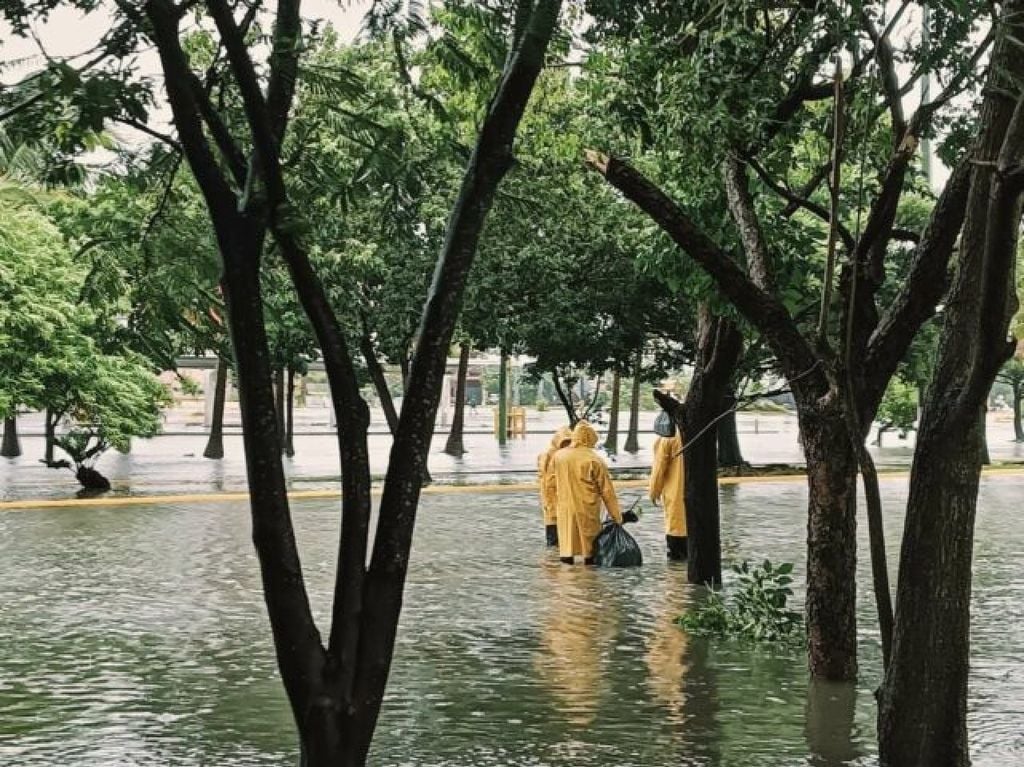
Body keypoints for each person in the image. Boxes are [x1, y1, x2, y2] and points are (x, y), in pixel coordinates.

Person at [554, 420, 624, 564]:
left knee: (567, 548)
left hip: (564, 510)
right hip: (587, 510)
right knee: (590, 551)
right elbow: (607, 492)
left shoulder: (559, 457)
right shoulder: (594, 460)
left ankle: (565, 583)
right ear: (589, 438)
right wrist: (617, 517)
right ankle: (589, 582)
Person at [650, 410, 687, 561]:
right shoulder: (696, 434)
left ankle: (675, 580)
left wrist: (653, 492)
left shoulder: (668, 439)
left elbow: (659, 469)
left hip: (675, 494)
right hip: (698, 500)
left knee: (676, 534)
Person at [537, 425, 572, 546]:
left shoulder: (560, 456)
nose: (567, 446)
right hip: (554, 506)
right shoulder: (550, 457)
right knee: (555, 542)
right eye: (565, 442)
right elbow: (547, 483)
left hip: (559, 506)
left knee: (559, 543)